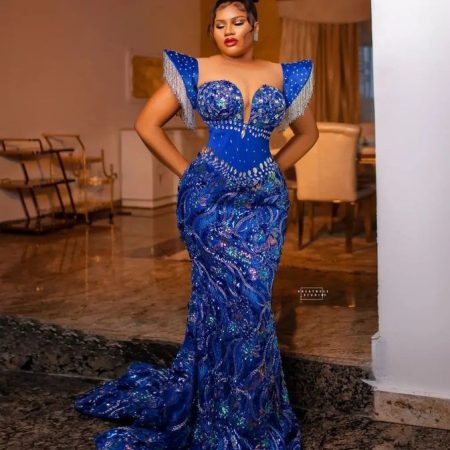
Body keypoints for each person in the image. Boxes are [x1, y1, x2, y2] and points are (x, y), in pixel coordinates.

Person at [74, 0, 319, 448]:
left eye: (238, 22)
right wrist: (190, 173)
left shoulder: (283, 74)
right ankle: (223, 412)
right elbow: (147, 124)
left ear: (255, 27)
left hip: (263, 207)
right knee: (226, 303)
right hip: (208, 202)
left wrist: (272, 170)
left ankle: (248, 412)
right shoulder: (197, 69)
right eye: (219, 24)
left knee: (254, 305)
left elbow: (309, 134)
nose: (229, 30)